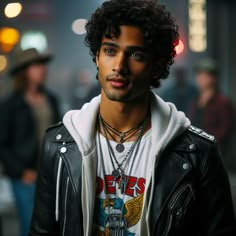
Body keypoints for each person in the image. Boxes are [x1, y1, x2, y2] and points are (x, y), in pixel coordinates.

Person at [29, 0, 236, 235]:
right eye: (110, 50)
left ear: (156, 66)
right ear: (97, 57)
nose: (119, 65)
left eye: (135, 54)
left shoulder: (199, 153)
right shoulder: (58, 146)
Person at [0, 47, 61, 236]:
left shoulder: (51, 99)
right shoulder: (10, 105)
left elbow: (60, 134)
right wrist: (21, 171)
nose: (43, 69)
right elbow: (2, 144)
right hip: (25, 177)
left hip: (51, 174)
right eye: (36, 65)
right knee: (30, 227)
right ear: (24, 71)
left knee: (53, 226)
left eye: (43, 64)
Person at [188, 58, 234, 167]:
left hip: (213, 154)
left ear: (213, 78)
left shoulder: (222, 103)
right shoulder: (195, 101)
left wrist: (210, 144)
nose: (199, 79)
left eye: (204, 75)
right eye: (198, 75)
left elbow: (226, 130)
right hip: (195, 151)